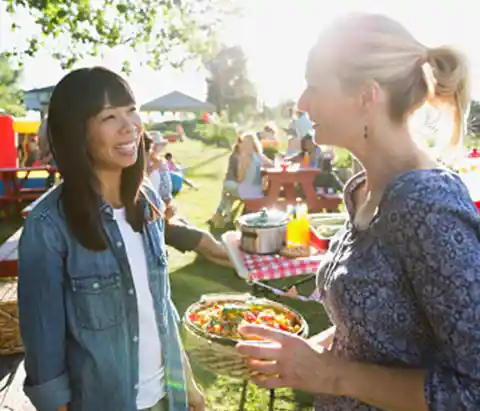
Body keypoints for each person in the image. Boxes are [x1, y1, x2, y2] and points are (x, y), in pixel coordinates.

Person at [236, 13, 480, 411]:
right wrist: (303, 356)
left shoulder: (428, 207)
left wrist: (328, 374)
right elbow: (377, 327)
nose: (301, 103)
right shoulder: (362, 191)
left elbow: (474, 391)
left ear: (367, 96)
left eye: (314, 85)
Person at [18, 67, 205, 411]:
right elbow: (44, 356)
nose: (129, 126)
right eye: (109, 116)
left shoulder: (146, 199)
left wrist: (188, 387)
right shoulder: (48, 226)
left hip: (168, 398)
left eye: (131, 110)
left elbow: (161, 307)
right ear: (78, 132)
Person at [145, 134, 233, 269]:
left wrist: (169, 207)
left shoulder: (160, 164)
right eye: (150, 149)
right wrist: (151, 169)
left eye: (153, 148)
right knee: (207, 242)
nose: (153, 151)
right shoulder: (136, 172)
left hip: (166, 217)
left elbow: (166, 194)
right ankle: (246, 263)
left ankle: (241, 268)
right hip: (157, 223)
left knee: (206, 249)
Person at [208, 135, 242, 225]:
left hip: (226, 183)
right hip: (233, 184)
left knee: (226, 198)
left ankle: (219, 216)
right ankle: (227, 218)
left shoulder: (233, 155)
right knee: (232, 197)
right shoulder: (240, 157)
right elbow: (239, 175)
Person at [237, 131, 274, 200]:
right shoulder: (259, 156)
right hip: (257, 192)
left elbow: (240, 178)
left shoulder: (244, 157)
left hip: (245, 193)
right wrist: (265, 176)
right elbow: (272, 164)